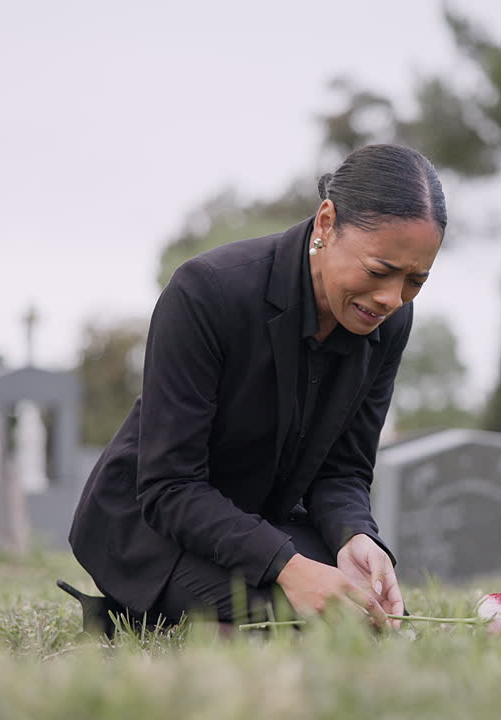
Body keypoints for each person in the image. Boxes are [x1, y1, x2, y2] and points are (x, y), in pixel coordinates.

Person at [66, 144, 447, 632]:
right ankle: (131, 613)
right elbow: (170, 487)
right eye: (378, 272)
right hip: (153, 526)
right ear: (327, 223)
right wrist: (290, 567)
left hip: (260, 526)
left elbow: (344, 470)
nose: (392, 298)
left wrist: (356, 536)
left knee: (374, 621)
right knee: (292, 626)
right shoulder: (206, 292)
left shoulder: (389, 321)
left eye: (416, 280)